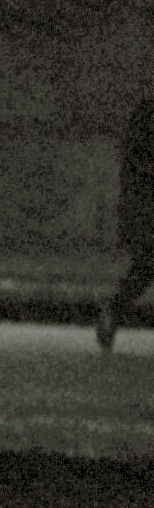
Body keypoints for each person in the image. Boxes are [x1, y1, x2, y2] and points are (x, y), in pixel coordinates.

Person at [100, 95, 154, 351]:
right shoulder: (145, 124)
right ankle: (113, 311)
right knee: (145, 267)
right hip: (144, 210)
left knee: (145, 268)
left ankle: (113, 312)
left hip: (140, 211)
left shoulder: (141, 124)